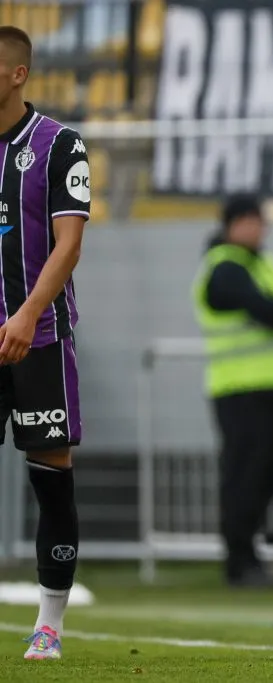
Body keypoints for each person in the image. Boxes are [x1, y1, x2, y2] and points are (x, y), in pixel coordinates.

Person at [0, 26, 91, 661]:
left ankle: (49, 625)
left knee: (51, 482)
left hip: (40, 339)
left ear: (16, 74)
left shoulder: (58, 145)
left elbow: (69, 243)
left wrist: (29, 314)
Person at [192, 194, 273, 587]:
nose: (258, 228)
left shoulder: (264, 264)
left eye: (260, 221)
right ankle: (240, 562)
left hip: (271, 387)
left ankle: (251, 558)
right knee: (244, 476)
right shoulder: (224, 268)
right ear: (231, 225)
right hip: (238, 389)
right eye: (249, 221)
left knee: (265, 475)